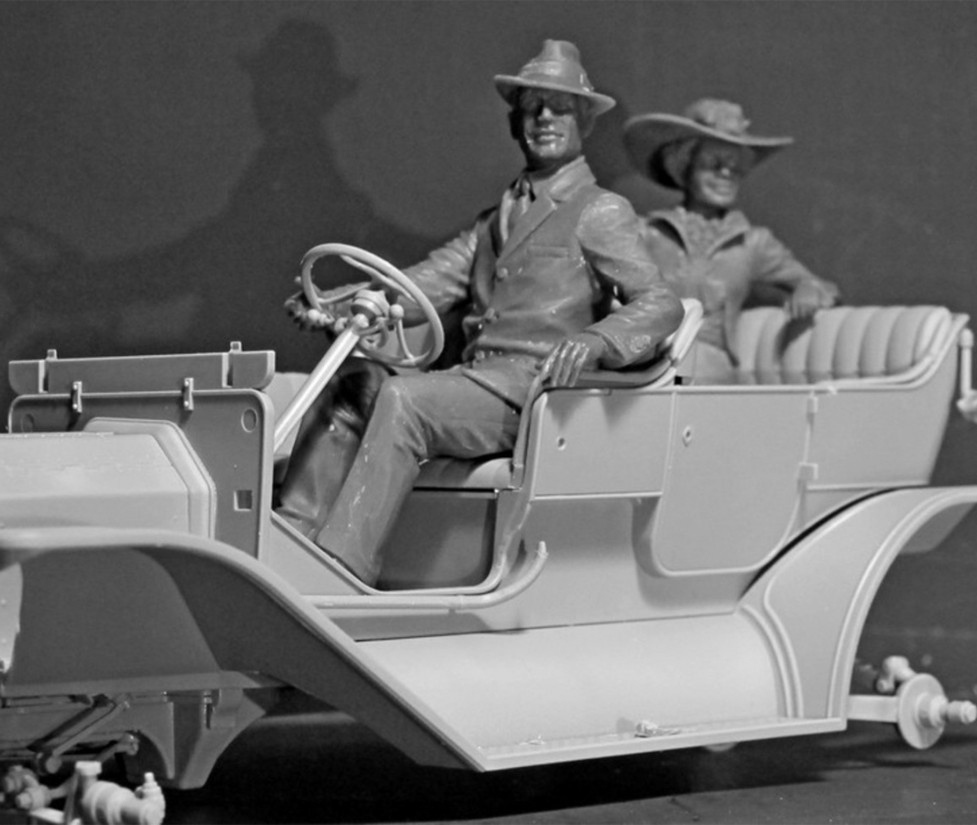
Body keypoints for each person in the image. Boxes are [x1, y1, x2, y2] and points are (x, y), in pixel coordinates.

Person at [276, 40, 684, 586]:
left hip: (533, 394)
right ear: (515, 123)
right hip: (473, 383)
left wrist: (596, 342)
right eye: (532, 107)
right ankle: (290, 543)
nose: (544, 118)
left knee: (405, 400)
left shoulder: (599, 210)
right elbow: (422, 284)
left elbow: (660, 303)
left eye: (560, 107)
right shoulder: (495, 220)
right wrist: (342, 300)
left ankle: (341, 569)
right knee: (354, 384)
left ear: (584, 123)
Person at [623, 98, 840, 384]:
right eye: (714, 165)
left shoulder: (753, 242)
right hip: (650, 360)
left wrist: (807, 288)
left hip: (710, 370)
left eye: (735, 168)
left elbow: (822, 287)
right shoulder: (650, 231)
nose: (726, 174)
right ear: (686, 166)